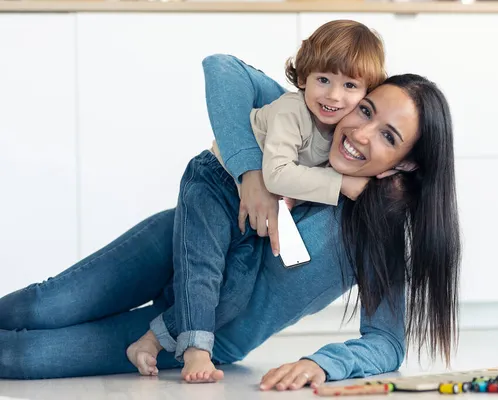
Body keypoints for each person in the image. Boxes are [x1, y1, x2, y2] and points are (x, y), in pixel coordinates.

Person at [0, 54, 461, 392]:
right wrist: (252, 174)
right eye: (366, 110)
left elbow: (386, 343)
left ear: (403, 166)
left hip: (199, 334)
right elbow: (222, 68)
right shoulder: (309, 114)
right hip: (177, 244)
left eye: (388, 136)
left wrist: (325, 363)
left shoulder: (376, 238)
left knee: (20, 356)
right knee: (36, 309)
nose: (359, 132)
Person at [126, 20, 387, 384]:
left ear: (366, 93)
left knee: (234, 293)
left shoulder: (341, 133)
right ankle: (195, 351)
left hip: (255, 210)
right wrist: (341, 183)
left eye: (350, 86)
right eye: (323, 79)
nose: (333, 96)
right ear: (303, 78)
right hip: (216, 183)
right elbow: (276, 173)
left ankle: (151, 340)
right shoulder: (291, 111)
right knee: (202, 270)